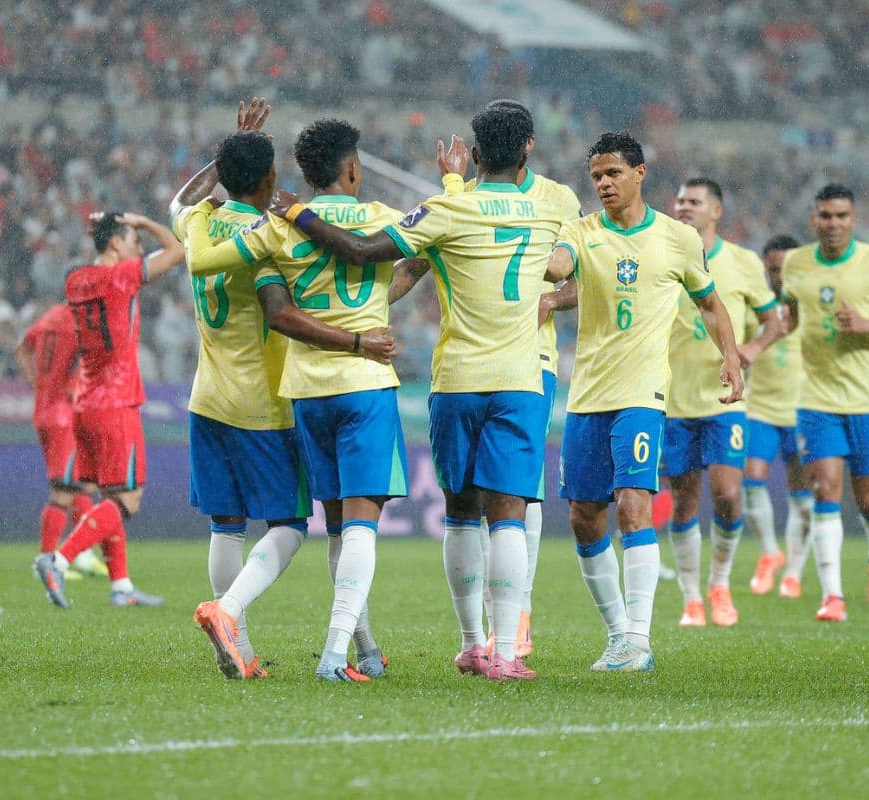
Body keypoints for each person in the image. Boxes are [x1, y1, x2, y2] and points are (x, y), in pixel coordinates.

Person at [271, 105, 564, 681]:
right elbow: (569, 267)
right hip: (519, 378)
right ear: (528, 150)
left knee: (460, 512)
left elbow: (360, 251)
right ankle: (507, 652)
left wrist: (297, 211)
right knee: (507, 514)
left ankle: (472, 644)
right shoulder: (552, 206)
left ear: (476, 154)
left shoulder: (447, 209)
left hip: (456, 381)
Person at [174, 100, 395, 679]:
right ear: (272, 179)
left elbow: (181, 202)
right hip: (266, 403)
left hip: (206, 398)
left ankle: (240, 646)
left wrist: (225, 156)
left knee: (225, 524)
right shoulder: (265, 234)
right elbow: (338, 254)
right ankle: (228, 613)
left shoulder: (198, 220)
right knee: (294, 528)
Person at [540, 131, 744, 671]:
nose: (604, 184)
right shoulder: (581, 230)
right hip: (587, 392)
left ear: (639, 173)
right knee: (585, 516)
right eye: (596, 177)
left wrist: (730, 355)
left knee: (633, 505)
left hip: (643, 391)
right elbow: (560, 270)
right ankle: (617, 635)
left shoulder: (678, 238)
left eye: (612, 174)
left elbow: (709, 302)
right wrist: (553, 257)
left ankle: (639, 637)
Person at [438, 99, 582, 660]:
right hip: (497, 366)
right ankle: (490, 636)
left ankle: (508, 622)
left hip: (517, 362)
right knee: (494, 502)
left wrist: (553, 295)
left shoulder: (544, 198)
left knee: (503, 500)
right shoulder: (536, 200)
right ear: (528, 144)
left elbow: (575, 277)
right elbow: (568, 268)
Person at [782, 184, 869, 622]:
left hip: (865, 399)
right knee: (824, 489)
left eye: (842, 216)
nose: (833, 224)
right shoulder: (795, 263)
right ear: (813, 220)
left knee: (867, 502)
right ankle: (833, 596)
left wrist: (865, 325)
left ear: (854, 220)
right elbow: (790, 314)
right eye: (825, 216)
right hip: (816, 398)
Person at [32, 210, 185, 607]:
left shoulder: (75, 279)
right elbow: (177, 249)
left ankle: (121, 587)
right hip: (116, 401)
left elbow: (98, 268)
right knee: (127, 500)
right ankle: (58, 560)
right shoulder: (122, 276)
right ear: (116, 244)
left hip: (84, 401)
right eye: (134, 240)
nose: (139, 248)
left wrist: (111, 229)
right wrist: (144, 220)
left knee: (104, 497)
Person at [663, 178, 783, 628]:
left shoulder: (743, 262)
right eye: (680, 201)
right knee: (684, 503)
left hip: (725, 399)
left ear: (716, 211)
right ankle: (692, 598)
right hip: (675, 400)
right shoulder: (664, 254)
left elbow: (774, 320)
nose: (683, 207)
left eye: (694, 202)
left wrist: (750, 350)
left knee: (729, 495)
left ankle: (720, 583)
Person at [741, 234, 816, 600]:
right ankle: (770, 552)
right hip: (761, 409)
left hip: (802, 410)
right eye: (773, 268)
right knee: (752, 479)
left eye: (785, 268)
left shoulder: (811, 303)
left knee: (803, 495)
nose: (779, 275)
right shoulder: (755, 303)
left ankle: (795, 572)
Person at [15, 299, 101, 575]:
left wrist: (36, 383)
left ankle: (81, 554)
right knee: (65, 488)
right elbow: (80, 369)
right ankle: (47, 559)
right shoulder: (79, 323)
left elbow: (22, 348)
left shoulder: (50, 316)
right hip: (65, 415)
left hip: (44, 411)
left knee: (81, 484)